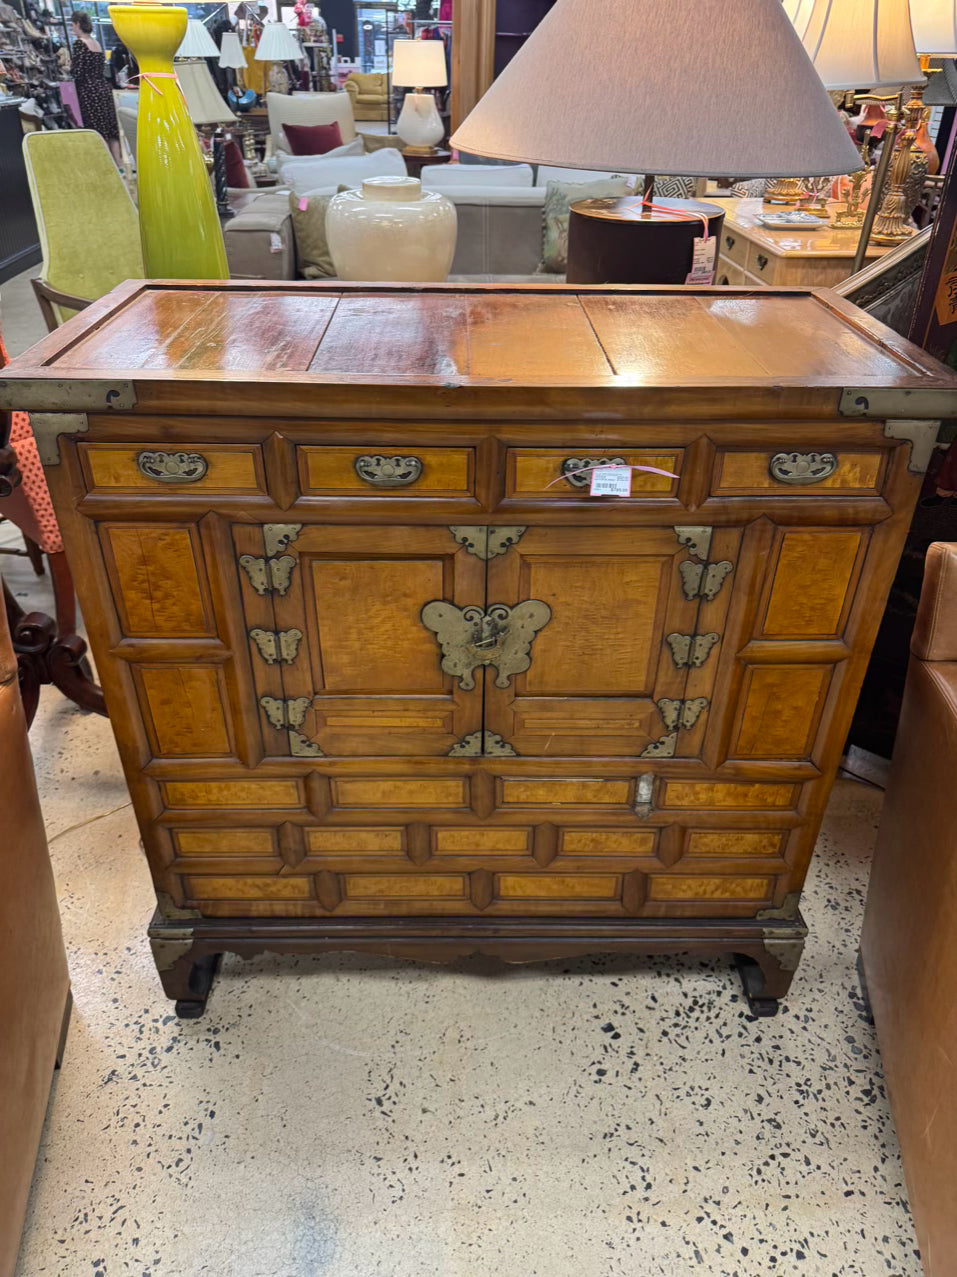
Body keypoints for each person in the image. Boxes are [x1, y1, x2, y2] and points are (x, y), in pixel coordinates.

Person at [70, 11, 122, 167]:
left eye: (72, 25)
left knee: (97, 131)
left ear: (78, 24)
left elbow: (77, 72)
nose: (72, 29)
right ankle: (119, 166)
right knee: (110, 130)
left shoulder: (79, 44)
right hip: (103, 89)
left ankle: (107, 168)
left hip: (89, 91)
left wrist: (67, 67)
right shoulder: (97, 44)